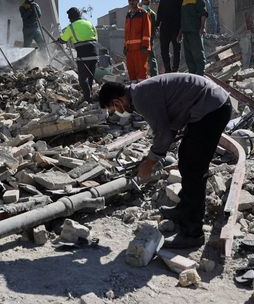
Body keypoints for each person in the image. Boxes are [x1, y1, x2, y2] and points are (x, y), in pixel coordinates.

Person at [99, 74, 232, 248]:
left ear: (118, 100)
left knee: (194, 168)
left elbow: (163, 134)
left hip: (212, 109)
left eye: (114, 108)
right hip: (208, 106)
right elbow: (168, 124)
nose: (117, 111)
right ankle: (184, 210)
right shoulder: (139, 93)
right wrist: (151, 156)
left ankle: (193, 233)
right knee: (186, 158)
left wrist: (149, 163)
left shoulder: (141, 98)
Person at [58, 7, 99, 102]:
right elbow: (96, 37)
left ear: (71, 17)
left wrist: (59, 40)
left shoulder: (71, 26)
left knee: (82, 79)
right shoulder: (89, 23)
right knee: (90, 77)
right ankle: (90, 97)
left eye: (69, 17)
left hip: (83, 55)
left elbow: (63, 40)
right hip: (95, 53)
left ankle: (88, 98)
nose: (68, 19)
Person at [177, 0, 208, 76]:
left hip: (195, 31)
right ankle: (193, 76)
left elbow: (203, 14)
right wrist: (180, 34)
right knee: (189, 57)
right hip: (186, 32)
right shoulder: (184, 1)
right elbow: (183, 19)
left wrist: (202, 28)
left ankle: (200, 76)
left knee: (198, 55)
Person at [157, 0, 183, 73]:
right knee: (164, 50)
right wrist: (157, 25)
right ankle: (167, 70)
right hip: (164, 28)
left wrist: (181, 30)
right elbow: (159, 14)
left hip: (176, 29)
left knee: (176, 49)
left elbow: (182, 15)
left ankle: (175, 68)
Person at [124, 0, 152, 81]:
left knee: (141, 72)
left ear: (138, 1)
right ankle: (134, 92)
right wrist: (125, 46)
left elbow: (147, 31)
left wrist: (145, 46)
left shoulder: (143, 13)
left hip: (140, 49)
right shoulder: (128, 15)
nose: (132, 2)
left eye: (134, 0)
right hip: (130, 50)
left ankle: (142, 92)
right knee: (131, 72)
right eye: (130, 0)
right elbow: (127, 33)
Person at [141, 0, 159, 77]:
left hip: (148, 38)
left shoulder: (151, 14)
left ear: (149, 4)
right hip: (139, 38)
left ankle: (154, 74)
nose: (145, 5)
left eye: (146, 3)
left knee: (151, 57)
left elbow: (153, 28)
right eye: (144, 3)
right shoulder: (139, 12)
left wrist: (150, 38)